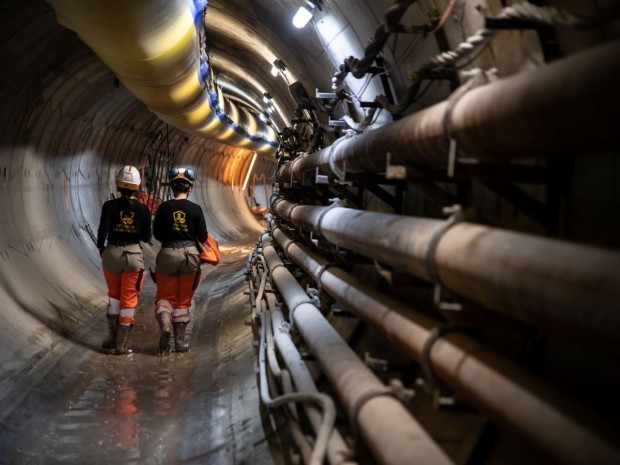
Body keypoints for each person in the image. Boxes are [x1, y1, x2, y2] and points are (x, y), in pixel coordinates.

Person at [97, 166, 152, 355]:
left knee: (114, 295)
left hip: (112, 253)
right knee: (128, 299)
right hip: (133, 256)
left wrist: (103, 250)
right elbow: (146, 237)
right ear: (137, 187)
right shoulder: (143, 209)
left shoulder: (109, 206)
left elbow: (102, 232)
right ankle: (122, 345)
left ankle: (111, 339)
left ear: (118, 185)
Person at [153, 167, 207, 355]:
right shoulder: (196, 209)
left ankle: (165, 325)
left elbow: (157, 233)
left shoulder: (164, 208)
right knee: (183, 300)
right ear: (189, 188)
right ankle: (180, 343)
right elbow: (203, 235)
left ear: (172, 188)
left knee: (164, 298)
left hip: (167, 253)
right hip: (190, 256)